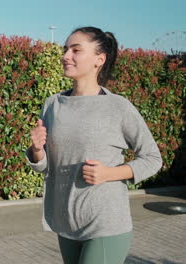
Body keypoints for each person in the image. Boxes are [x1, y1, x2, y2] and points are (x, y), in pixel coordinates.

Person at [26, 26, 162, 264]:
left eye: (75, 50)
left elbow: (152, 158)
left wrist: (109, 173)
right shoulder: (52, 104)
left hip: (105, 224)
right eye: (65, 49)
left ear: (99, 59)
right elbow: (47, 167)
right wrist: (37, 151)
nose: (66, 55)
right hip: (66, 222)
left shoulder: (118, 107)